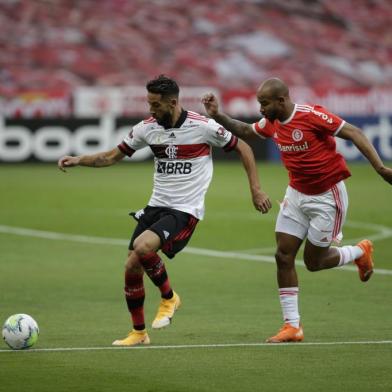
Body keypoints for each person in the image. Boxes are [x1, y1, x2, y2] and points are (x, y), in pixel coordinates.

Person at [58, 75, 272, 346]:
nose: (151, 109)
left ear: (172, 103)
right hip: (156, 206)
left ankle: (170, 298)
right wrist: (78, 159)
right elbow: (111, 157)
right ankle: (138, 333)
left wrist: (256, 189)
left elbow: (244, 147)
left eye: (156, 105)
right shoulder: (148, 128)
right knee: (131, 265)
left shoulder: (202, 126)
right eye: (149, 103)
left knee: (142, 246)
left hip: (184, 209)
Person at [202, 77, 392, 343]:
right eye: (259, 104)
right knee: (283, 255)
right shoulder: (272, 121)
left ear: (281, 100)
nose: (261, 109)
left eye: (264, 103)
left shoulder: (312, 116)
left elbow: (355, 133)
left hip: (327, 197)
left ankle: (360, 251)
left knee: (314, 262)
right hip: (296, 195)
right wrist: (218, 115)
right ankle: (292, 326)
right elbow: (246, 131)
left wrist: (381, 169)